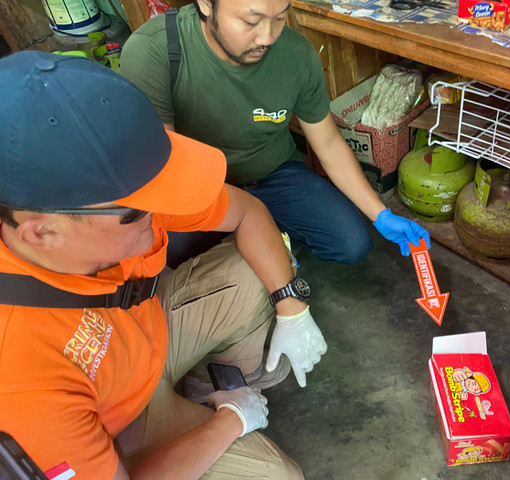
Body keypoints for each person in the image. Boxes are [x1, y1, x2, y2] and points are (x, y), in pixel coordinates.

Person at [0, 51, 327, 480]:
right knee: (279, 476)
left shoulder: (110, 195)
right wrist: (231, 422)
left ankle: (206, 393)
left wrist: (291, 305)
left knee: (258, 271)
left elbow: (247, 212)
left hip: (145, 336)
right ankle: (218, 415)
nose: (163, 215)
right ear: (42, 232)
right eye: (137, 214)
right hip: (114, 429)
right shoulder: (20, 377)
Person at [120, 0, 430, 269]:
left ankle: (257, 234)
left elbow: (329, 143)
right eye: (251, 21)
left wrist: (380, 214)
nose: (267, 37)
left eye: (280, 18)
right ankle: (257, 236)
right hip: (197, 188)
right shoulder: (155, 50)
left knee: (350, 244)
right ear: (205, 5)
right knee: (164, 252)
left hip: (273, 174)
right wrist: (246, 217)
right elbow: (167, 164)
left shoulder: (296, 55)